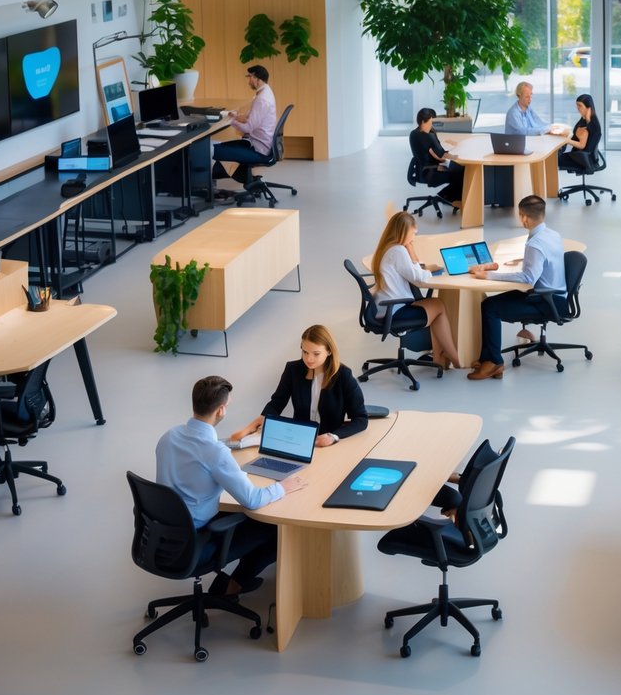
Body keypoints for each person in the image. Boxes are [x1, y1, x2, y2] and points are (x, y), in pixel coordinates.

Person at [156, 375, 307, 597]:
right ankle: (233, 586)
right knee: (275, 528)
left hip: (162, 534)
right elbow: (253, 500)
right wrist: (283, 487)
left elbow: (201, 455)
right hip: (195, 541)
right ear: (221, 411)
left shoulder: (169, 437)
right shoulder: (215, 453)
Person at [466, 195, 565, 380]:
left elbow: (528, 278)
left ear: (524, 218)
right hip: (556, 295)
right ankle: (486, 358)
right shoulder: (552, 235)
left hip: (544, 301)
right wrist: (523, 260)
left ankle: (495, 363)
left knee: (490, 307)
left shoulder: (535, 244)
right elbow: (543, 262)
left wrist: (489, 275)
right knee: (489, 303)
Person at [230, 325, 370, 447]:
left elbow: (361, 419)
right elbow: (276, 404)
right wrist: (251, 427)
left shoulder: (343, 375)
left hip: (328, 443)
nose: (309, 359)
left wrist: (334, 436)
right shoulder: (293, 370)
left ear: (329, 351)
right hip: (298, 440)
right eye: (305, 352)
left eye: (316, 354)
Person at [369, 211, 463, 370]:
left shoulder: (386, 248)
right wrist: (430, 272)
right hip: (395, 310)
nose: (414, 238)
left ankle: (441, 358)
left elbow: (413, 270)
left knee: (435, 305)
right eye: (413, 234)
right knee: (439, 306)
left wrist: (410, 250)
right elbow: (418, 278)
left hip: (383, 307)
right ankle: (455, 360)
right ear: (404, 232)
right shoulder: (398, 251)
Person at [212, 65, 276, 185]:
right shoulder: (265, 92)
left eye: (250, 77)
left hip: (258, 150)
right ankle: (246, 179)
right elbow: (250, 117)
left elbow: (248, 127)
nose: (248, 81)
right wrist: (236, 116)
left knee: (212, 150)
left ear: (258, 78)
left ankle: (210, 181)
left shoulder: (262, 99)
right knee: (217, 146)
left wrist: (230, 121)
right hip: (258, 144)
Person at [409, 107, 464, 204]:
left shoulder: (414, 133)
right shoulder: (427, 136)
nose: (431, 125)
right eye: (430, 123)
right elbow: (441, 155)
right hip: (431, 172)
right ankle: (448, 197)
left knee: (457, 168)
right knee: (462, 171)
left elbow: (433, 152)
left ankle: (446, 196)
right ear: (422, 121)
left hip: (423, 170)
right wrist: (456, 156)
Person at [557, 94, 601, 174]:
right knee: (555, 156)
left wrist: (566, 141)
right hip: (581, 157)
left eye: (580, 106)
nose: (578, 108)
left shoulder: (589, 124)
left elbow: (581, 145)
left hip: (581, 159)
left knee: (552, 160)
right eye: (577, 105)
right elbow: (576, 135)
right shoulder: (585, 120)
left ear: (588, 108)